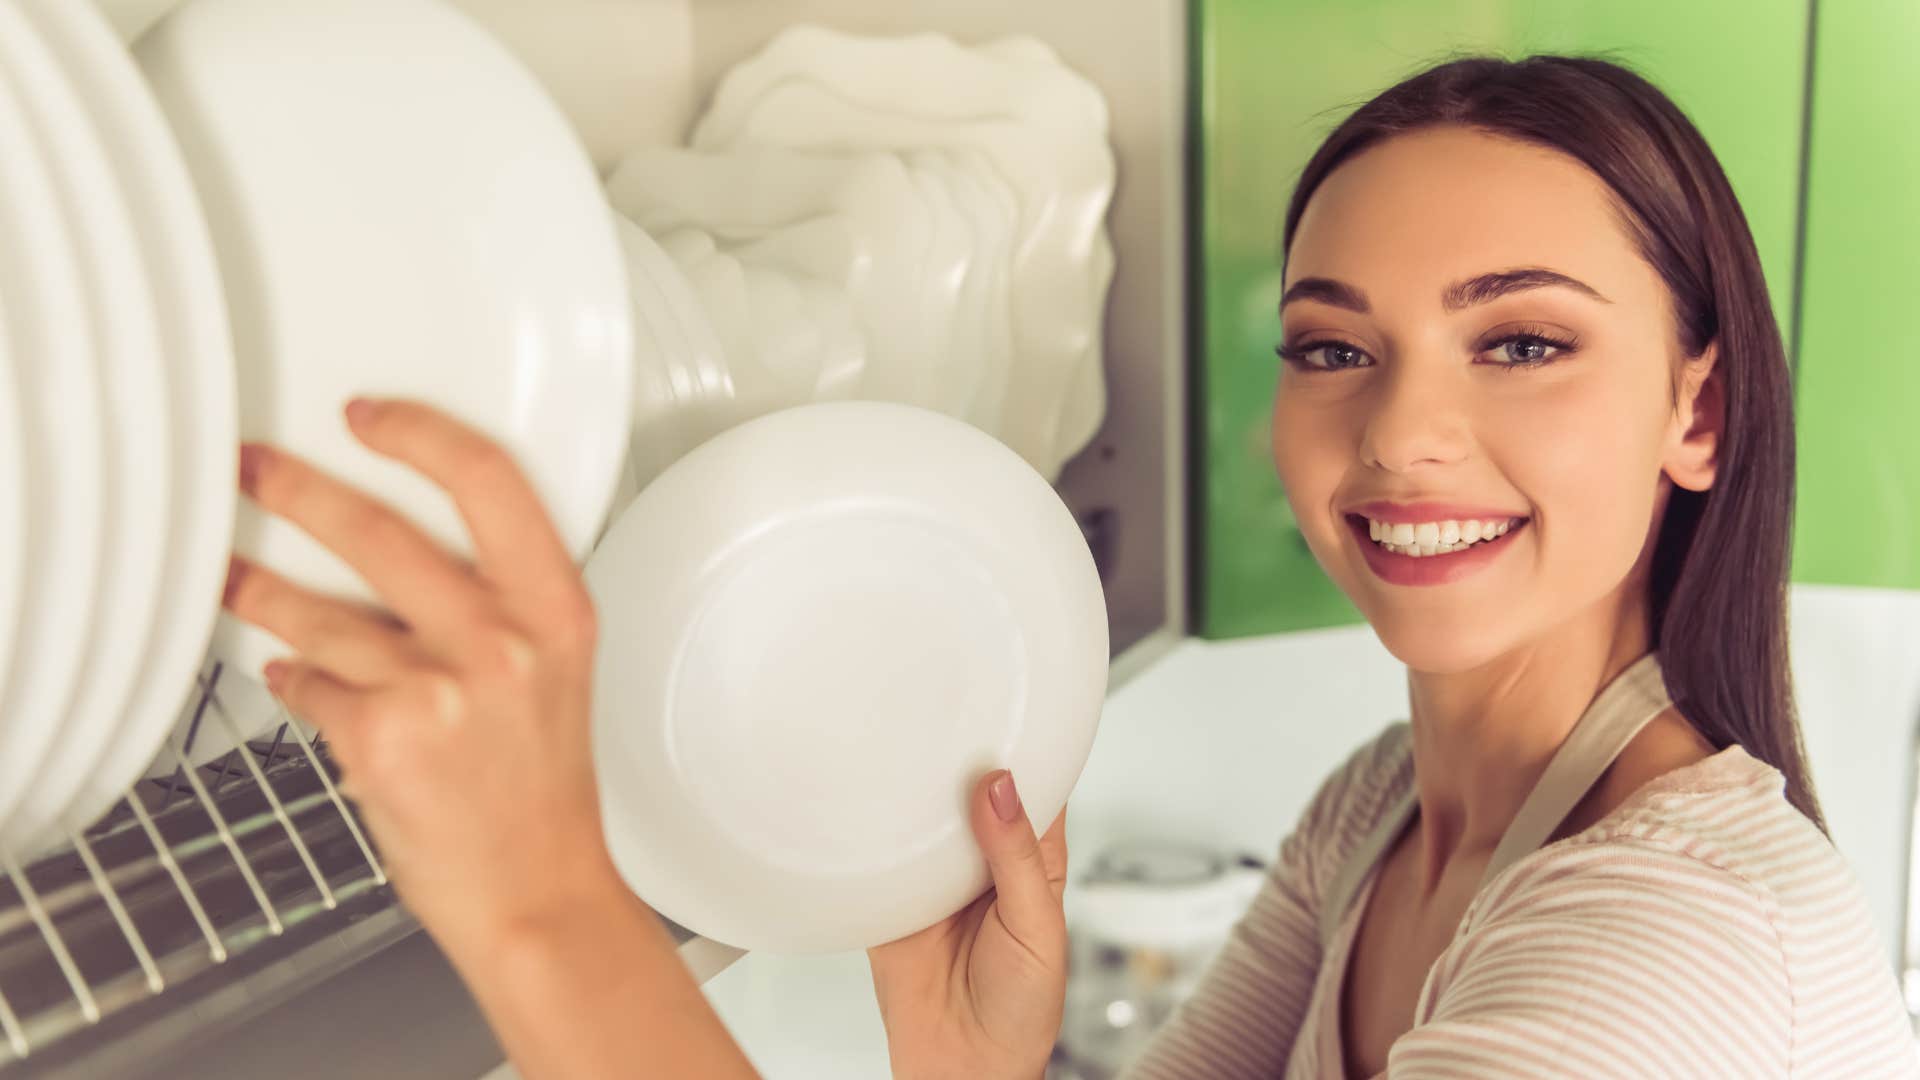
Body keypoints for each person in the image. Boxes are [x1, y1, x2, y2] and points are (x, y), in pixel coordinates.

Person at [220, 54, 1917, 1078]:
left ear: (1699, 411)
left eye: (1524, 344)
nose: (1402, 435)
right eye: (1333, 350)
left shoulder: (1669, 943)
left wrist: (537, 900)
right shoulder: (1383, 812)